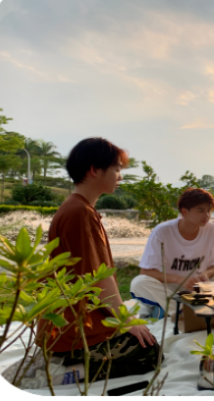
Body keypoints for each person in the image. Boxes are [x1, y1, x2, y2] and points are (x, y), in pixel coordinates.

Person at [36, 138, 160, 382]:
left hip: (72, 327)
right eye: (116, 169)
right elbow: (98, 279)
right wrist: (126, 321)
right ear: (94, 170)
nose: (120, 177)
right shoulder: (79, 213)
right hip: (75, 334)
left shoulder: (79, 208)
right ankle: (67, 374)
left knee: (144, 337)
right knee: (149, 352)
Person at [130, 188, 214, 319]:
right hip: (170, 288)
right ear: (184, 212)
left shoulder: (213, 230)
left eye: (208, 210)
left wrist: (205, 274)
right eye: (200, 210)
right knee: (139, 282)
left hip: (199, 288)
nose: (206, 215)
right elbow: (146, 272)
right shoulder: (162, 232)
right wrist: (179, 280)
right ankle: (183, 311)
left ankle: (177, 308)